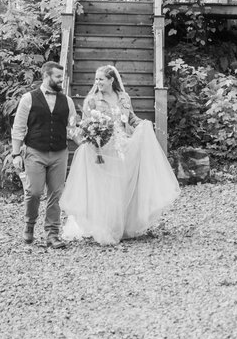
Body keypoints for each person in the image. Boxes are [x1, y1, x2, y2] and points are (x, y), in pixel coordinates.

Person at [60, 65, 180, 245]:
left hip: (123, 147)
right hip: (101, 149)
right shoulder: (92, 100)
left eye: (101, 79)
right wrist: (94, 137)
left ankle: (121, 225)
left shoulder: (124, 98)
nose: (97, 82)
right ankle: (105, 226)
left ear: (111, 80)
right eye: (96, 79)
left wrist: (143, 124)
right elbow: (86, 123)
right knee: (104, 188)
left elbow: (131, 117)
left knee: (121, 185)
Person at [10, 61, 77, 248]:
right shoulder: (28, 99)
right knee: (34, 192)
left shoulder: (68, 101)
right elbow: (18, 128)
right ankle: (29, 225)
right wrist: (16, 154)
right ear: (46, 76)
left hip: (59, 153)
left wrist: (90, 142)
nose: (61, 81)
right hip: (35, 152)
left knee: (56, 194)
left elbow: (72, 129)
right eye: (57, 77)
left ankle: (52, 234)